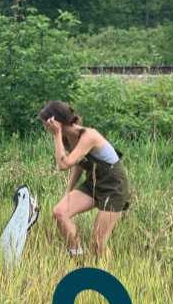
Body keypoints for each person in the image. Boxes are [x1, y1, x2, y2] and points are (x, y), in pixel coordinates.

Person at [42, 101, 132, 258]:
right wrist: (69, 191)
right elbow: (78, 163)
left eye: (47, 124)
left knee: (98, 241)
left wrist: (56, 135)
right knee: (59, 212)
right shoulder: (67, 137)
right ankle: (77, 255)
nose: (47, 128)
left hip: (114, 185)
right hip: (94, 182)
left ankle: (107, 272)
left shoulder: (89, 135)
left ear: (57, 122)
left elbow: (64, 165)